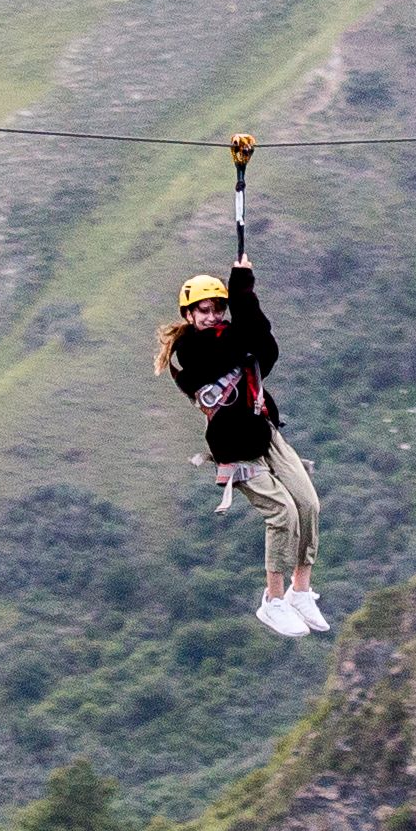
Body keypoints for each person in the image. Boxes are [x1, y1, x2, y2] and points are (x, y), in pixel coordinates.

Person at [163, 265, 326, 636]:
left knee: (308, 504)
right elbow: (233, 347)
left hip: (263, 433)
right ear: (188, 315)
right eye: (203, 310)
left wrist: (244, 293)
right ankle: (273, 600)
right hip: (235, 448)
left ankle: (300, 590)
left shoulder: (230, 338)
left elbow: (265, 346)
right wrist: (239, 291)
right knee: (282, 512)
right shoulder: (192, 349)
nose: (212, 315)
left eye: (217, 308)